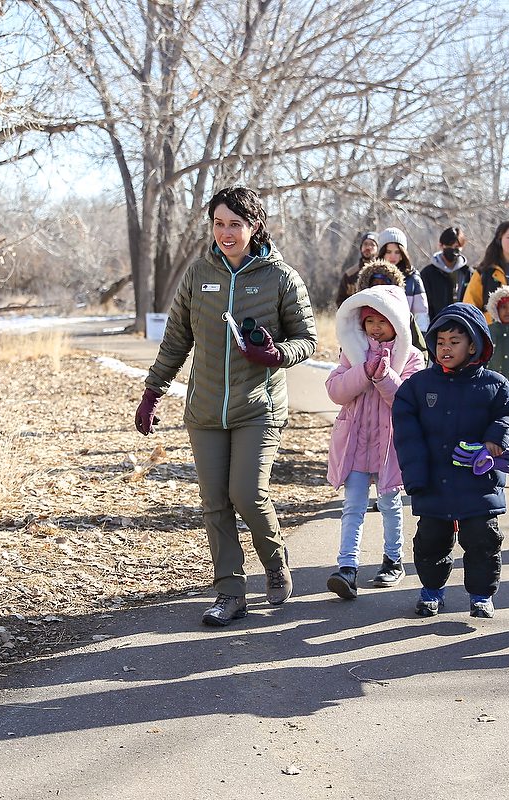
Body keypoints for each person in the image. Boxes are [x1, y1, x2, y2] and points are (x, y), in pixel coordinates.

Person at [135, 186, 317, 627]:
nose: (226, 232)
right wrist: (152, 391)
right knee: (215, 502)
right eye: (218, 223)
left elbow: (307, 340)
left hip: (259, 405)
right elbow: (177, 338)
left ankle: (274, 561)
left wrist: (277, 355)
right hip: (205, 409)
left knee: (248, 493)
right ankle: (230, 592)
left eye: (235, 224)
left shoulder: (281, 277)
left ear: (255, 226)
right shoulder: (199, 275)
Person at [392, 303, 509, 619]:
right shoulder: (418, 387)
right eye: (440, 342)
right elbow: (407, 434)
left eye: (454, 341)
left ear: (474, 344)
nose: (445, 348)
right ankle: (431, 591)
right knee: (431, 542)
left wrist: (497, 436)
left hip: (478, 483)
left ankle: (480, 596)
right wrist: (416, 477)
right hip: (434, 482)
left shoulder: (495, 384)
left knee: (483, 541)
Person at [325, 285, 425, 599]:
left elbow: (408, 400)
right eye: (370, 321)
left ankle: (393, 560)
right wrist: (361, 372)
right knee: (352, 506)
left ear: (397, 322)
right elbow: (336, 390)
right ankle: (347, 568)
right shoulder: (352, 350)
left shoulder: (410, 357)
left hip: (390, 447)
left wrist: (383, 376)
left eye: (383, 321)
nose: (376, 327)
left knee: (390, 505)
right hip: (355, 444)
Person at [357, 259, 428, 354]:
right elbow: (348, 347)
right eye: (375, 284)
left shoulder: (403, 315)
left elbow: (420, 350)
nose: (379, 288)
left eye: (384, 284)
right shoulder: (356, 313)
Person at [377, 227, 431, 332]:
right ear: (383, 253)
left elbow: (421, 315)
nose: (393, 256)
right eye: (389, 251)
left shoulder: (413, 279)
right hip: (377, 334)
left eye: (397, 252)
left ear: (402, 255)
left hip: (405, 335)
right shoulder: (373, 276)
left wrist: (420, 340)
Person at [420, 226, 472, 322]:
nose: (453, 250)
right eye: (449, 246)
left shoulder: (467, 273)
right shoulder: (428, 274)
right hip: (437, 324)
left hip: (463, 325)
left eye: (456, 247)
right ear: (441, 246)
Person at [335, 231, 379, 307]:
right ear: (361, 247)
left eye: (372, 244)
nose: (368, 247)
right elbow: (340, 301)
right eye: (365, 244)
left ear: (378, 249)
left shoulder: (383, 273)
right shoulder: (349, 275)